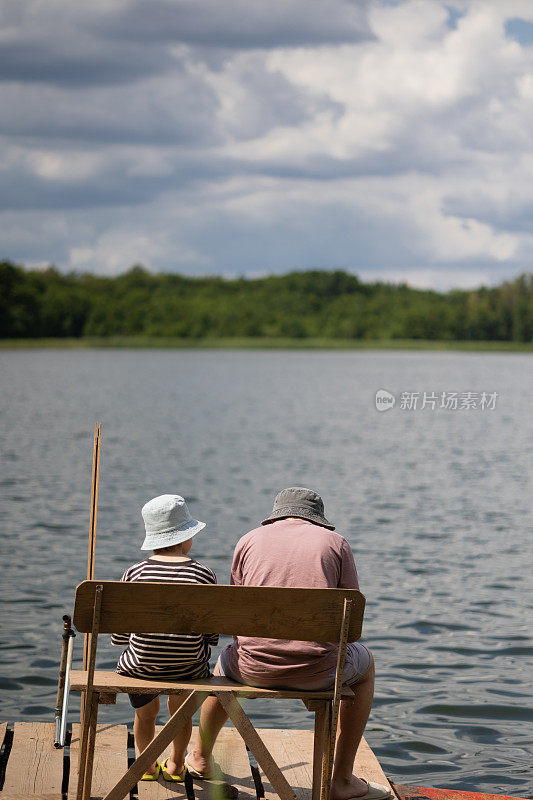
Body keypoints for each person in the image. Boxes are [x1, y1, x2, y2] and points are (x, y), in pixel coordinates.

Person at [185, 487, 392, 800]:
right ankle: (341, 780)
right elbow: (350, 624)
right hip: (318, 672)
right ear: (317, 519)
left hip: (248, 669)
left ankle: (199, 757)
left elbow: (235, 612)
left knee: (223, 663)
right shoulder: (336, 543)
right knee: (367, 665)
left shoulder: (248, 540)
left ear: (276, 514)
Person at [111, 494, 218, 782]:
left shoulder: (134, 573)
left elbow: (121, 636)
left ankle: (146, 766)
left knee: (145, 715)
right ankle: (176, 765)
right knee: (180, 713)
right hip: (188, 668)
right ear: (187, 538)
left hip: (140, 667)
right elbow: (210, 635)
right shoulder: (203, 574)